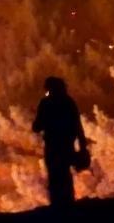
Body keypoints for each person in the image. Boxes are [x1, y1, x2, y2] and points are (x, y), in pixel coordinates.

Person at [31, 77, 89, 207]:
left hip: (53, 147)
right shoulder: (69, 102)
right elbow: (78, 127)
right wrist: (83, 147)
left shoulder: (46, 103)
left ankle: (58, 208)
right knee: (65, 177)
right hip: (67, 146)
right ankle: (68, 206)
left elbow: (36, 127)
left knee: (55, 177)